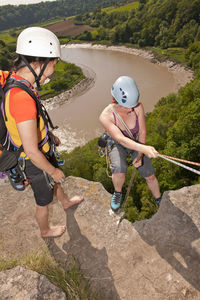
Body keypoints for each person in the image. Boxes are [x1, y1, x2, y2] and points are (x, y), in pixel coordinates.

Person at [4, 27, 84, 237]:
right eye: (53, 65)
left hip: (43, 150)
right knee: (43, 201)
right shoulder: (21, 98)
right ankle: (45, 230)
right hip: (34, 162)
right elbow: (31, 150)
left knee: (54, 180)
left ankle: (65, 202)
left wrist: (49, 136)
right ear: (39, 63)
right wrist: (52, 170)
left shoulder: (21, 82)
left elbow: (33, 123)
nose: (54, 71)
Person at [99, 76, 161, 212]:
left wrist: (139, 155)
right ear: (115, 100)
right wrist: (143, 148)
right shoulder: (106, 116)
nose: (131, 110)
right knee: (119, 169)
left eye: (133, 106)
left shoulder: (137, 106)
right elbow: (120, 139)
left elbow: (142, 132)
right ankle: (118, 192)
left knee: (149, 175)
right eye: (127, 107)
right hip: (117, 143)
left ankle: (158, 198)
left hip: (136, 141)